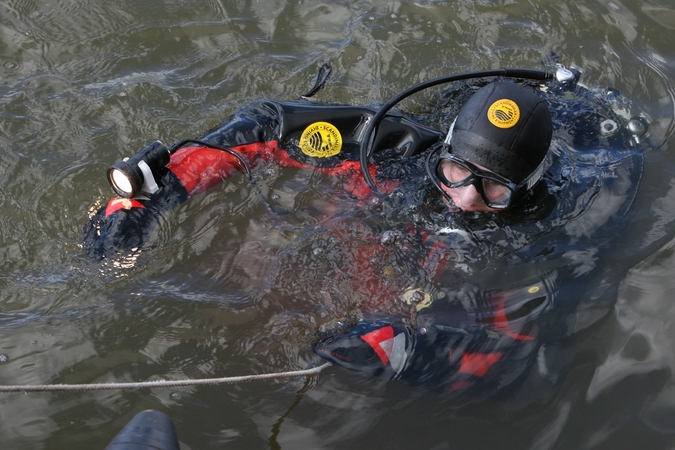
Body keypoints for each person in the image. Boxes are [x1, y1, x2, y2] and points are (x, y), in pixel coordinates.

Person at [83, 64, 645, 396]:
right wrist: (154, 195)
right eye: (457, 173)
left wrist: (410, 356)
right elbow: (263, 128)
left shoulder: (553, 225)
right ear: (443, 151)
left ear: (526, 190)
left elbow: (526, 353)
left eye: (494, 190)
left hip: (593, 138)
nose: (465, 199)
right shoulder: (397, 149)